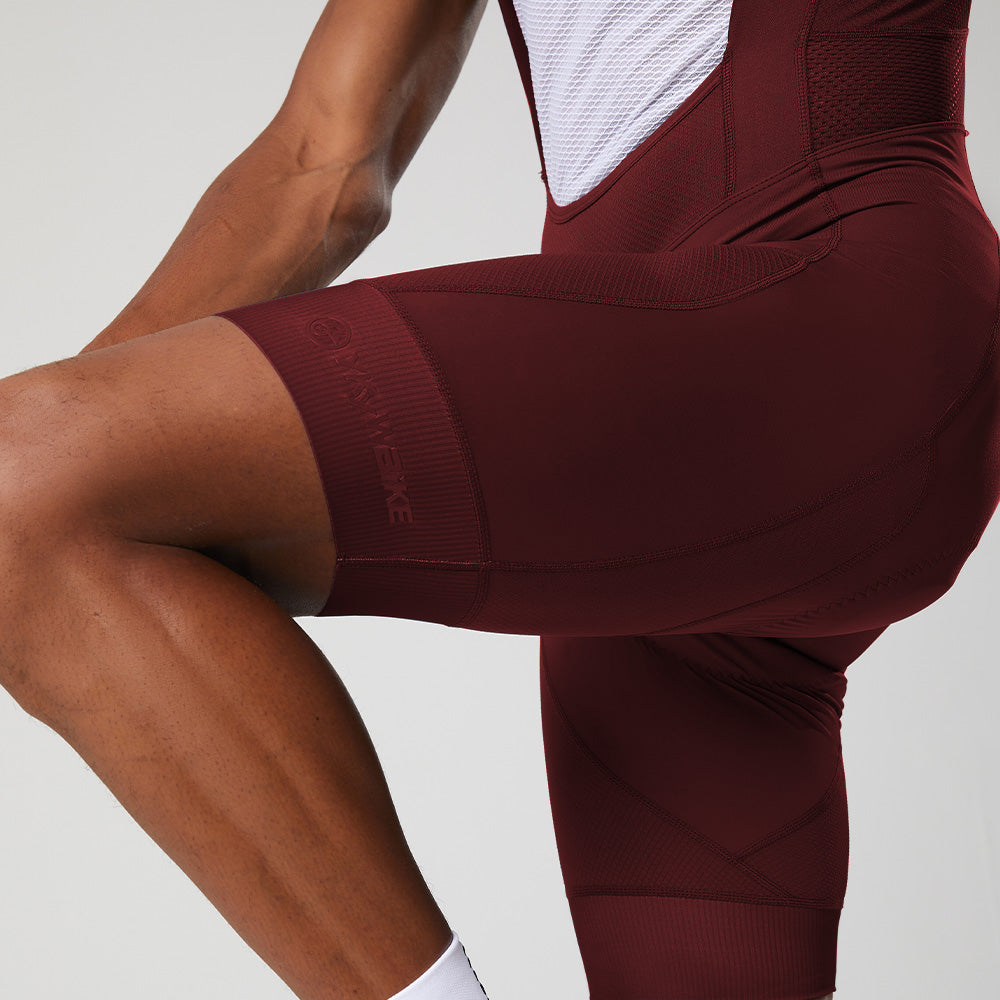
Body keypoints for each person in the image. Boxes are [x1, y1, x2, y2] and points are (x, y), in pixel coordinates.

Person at [0, 0, 996, 998]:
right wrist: (67, 457)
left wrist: (47, 475)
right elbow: (324, 166)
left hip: (822, 319)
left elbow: (325, 171)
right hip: (658, 450)